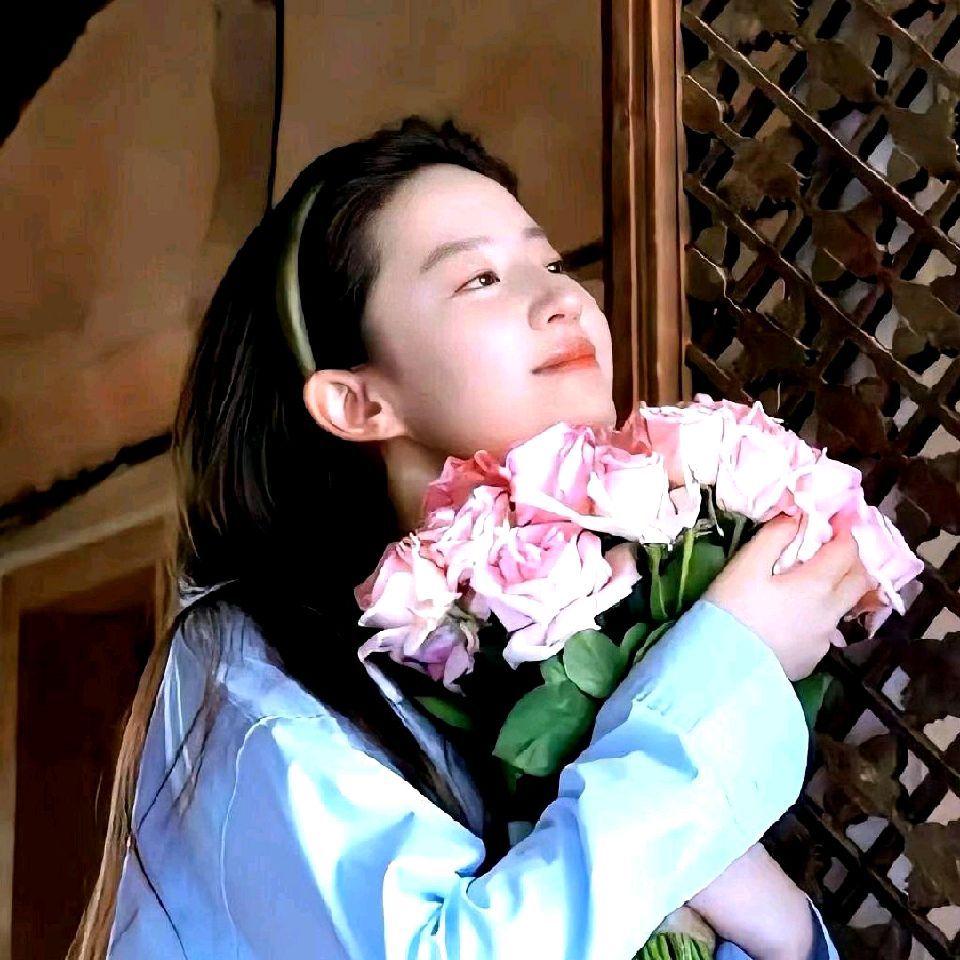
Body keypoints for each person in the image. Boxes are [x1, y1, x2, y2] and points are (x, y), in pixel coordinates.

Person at [70, 117, 872, 960]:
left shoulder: (575, 612)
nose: (564, 299)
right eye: (480, 279)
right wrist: (727, 664)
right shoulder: (248, 666)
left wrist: (782, 928)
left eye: (552, 264)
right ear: (357, 402)